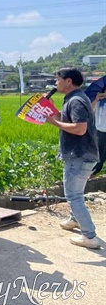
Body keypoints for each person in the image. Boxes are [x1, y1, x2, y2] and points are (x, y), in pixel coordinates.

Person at [45, 68, 100, 249]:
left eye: (57, 79)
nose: (56, 83)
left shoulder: (76, 100)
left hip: (79, 155)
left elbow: (79, 128)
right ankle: (75, 219)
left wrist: (53, 123)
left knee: (74, 196)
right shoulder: (74, 98)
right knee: (76, 194)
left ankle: (89, 236)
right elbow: (65, 119)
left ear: (68, 81)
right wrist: (51, 109)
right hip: (81, 154)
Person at [84, 75, 106, 176]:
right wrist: (96, 99)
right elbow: (89, 110)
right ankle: (92, 173)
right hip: (99, 132)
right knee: (98, 155)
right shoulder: (99, 103)